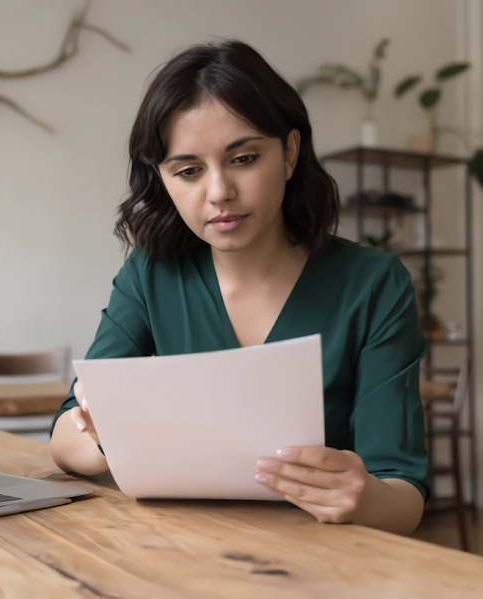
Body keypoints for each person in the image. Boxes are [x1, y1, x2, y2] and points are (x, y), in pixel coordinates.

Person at [49, 40, 428, 535]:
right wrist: (104, 435)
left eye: (244, 159)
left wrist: (365, 497)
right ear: (163, 179)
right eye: (187, 171)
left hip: (323, 563)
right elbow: (65, 438)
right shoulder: (151, 274)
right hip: (174, 555)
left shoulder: (374, 284)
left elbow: (404, 495)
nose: (219, 192)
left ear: (290, 152)